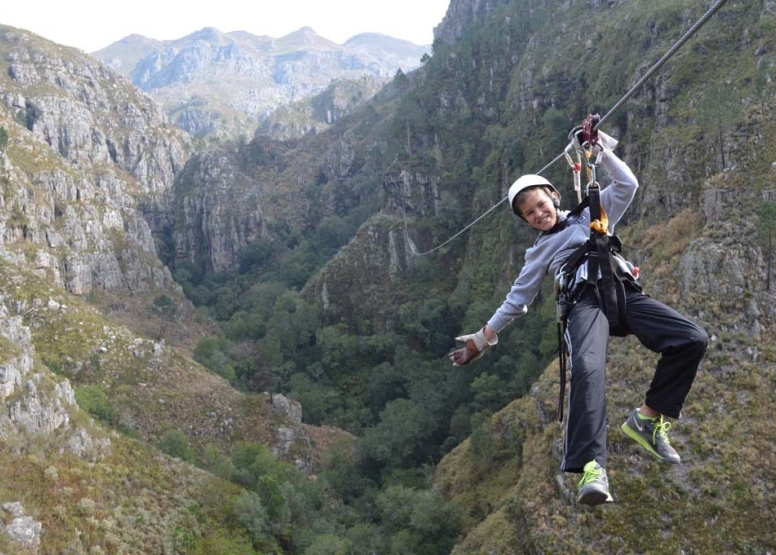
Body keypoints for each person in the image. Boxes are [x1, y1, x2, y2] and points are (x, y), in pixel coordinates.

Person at [449, 122, 708, 506]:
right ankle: (592, 467)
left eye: (540, 205)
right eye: (529, 214)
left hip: (621, 293)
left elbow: (628, 186)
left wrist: (599, 151)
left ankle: (648, 419)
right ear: (525, 222)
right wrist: (481, 340)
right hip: (583, 304)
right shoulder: (538, 252)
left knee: (691, 339)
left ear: (554, 197)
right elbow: (516, 300)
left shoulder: (591, 212)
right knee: (588, 369)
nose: (538, 215)